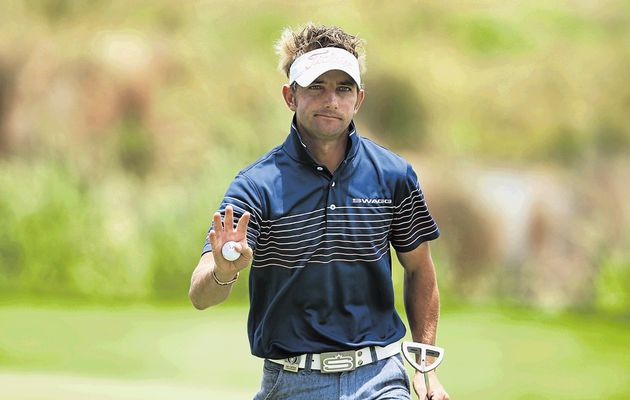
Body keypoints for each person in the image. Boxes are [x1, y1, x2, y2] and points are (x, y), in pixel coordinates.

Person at [189, 22, 449, 400]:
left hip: (380, 376)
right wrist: (224, 272)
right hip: (292, 382)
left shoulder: (393, 174)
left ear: (358, 99)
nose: (331, 100)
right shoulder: (256, 185)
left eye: (343, 88)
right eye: (317, 86)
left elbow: (420, 268)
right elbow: (200, 295)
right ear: (290, 95)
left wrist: (425, 368)